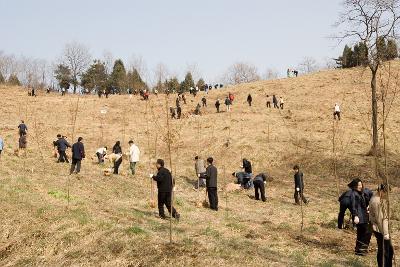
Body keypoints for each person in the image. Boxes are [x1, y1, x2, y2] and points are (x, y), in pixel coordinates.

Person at [369, 184, 394, 267]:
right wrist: (385, 233)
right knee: (385, 251)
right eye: (386, 193)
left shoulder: (379, 198)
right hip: (380, 229)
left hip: (382, 228)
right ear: (381, 191)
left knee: (388, 250)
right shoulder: (376, 202)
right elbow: (380, 219)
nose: (387, 195)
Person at [349, 178, 372, 256]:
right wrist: (355, 216)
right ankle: (362, 250)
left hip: (364, 216)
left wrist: (369, 206)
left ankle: (358, 250)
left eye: (361, 184)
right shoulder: (353, 194)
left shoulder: (362, 192)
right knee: (367, 232)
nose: (360, 186)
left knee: (361, 233)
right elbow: (353, 206)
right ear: (354, 186)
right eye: (358, 185)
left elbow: (370, 195)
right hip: (359, 217)